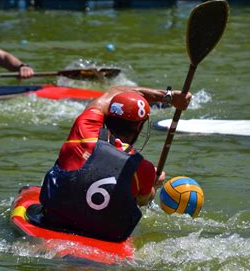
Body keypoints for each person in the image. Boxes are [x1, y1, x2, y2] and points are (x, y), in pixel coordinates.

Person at [26, 86, 191, 242]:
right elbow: (142, 202)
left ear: (109, 115)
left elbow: (113, 91)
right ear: (139, 128)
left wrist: (168, 97)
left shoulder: (84, 128)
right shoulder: (143, 168)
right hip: (102, 235)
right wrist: (152, 183)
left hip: (53, 219)